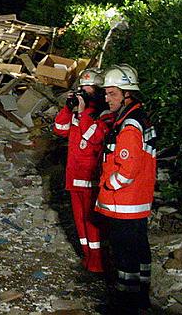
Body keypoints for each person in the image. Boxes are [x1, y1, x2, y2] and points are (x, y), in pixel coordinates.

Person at [96, 64, 156, 313]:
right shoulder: (140, 117)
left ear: (127, 94)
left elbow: (127, 169)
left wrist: (110, 185)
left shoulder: (129, 125)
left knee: (125, 257)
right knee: (140, 251)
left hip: (124, 202)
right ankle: (141, 299)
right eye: (106, 93)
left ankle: (125, 305)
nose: (107, 98)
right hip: (138, 201)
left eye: (112, 94)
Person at [53, 68, 108, 273]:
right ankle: (88, 259)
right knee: (80, 224)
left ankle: (98, 263)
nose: (84, 94)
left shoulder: (104, 114)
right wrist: (69, 109)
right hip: (74, 177)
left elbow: (94, 137)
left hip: (90, 179)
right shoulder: (79, 112)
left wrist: (83, 112)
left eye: (88, 90)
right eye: (81, 90)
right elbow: (59, 129)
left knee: (92, 223)